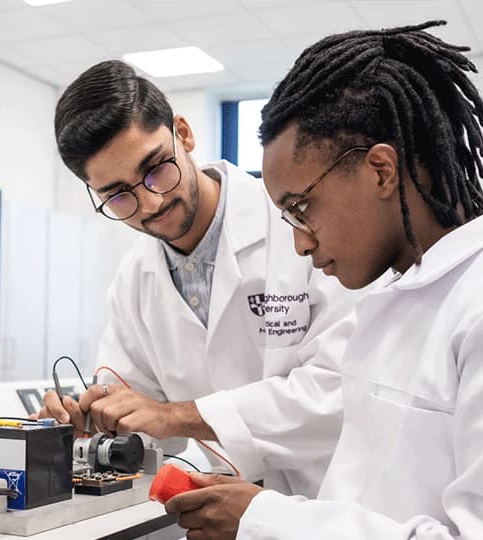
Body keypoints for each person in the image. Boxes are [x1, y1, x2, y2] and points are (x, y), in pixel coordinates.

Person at [165, 21, 483, 539]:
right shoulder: (403, 304)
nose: (300, 242)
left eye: (301, 209)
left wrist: (269, 522)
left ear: (381, 170)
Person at [40, 60, 360, 497]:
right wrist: (95, 420)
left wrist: (174, 415)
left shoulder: (299, 228)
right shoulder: (134, 281)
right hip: (216, 511)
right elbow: (145, 424)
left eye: (155, 168)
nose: (150, 202)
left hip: (331, 504)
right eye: (118, 195)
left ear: (184, 134)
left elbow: (341, 390)